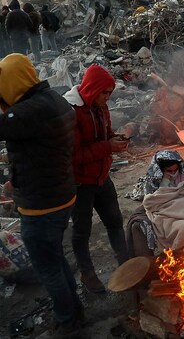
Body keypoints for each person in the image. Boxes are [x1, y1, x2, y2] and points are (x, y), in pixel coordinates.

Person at [0, 53, 82, 337]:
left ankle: (68, 321)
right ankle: (75, 308)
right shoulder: (54, 99)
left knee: (47, 267)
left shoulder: (28, 113)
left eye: (2, 86)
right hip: (62, 194)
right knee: (56, 258)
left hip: (42, 206)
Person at [63, 65, 129, 293]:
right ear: (92, 90)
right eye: (104, 93)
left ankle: (126, 264)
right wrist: (107, 147)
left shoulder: (101, 108)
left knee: (114, 221)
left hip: (102, 177)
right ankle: (87, 274)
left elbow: (105, 134)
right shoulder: (71, 112)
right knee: (82, 230)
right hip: (81, 183)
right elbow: (75, 155)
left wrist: (115, 140)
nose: (107, 98)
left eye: (110, 93)